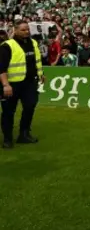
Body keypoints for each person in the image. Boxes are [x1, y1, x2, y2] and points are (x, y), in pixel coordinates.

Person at [0, 21, 45, 149]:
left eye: (27, 30)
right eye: (23, 30)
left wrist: (41, 73)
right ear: (15, 30)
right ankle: (8, 138)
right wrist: (5, 85)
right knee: (8, 111)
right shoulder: (7, 46)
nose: (26, 32)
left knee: (30, 106)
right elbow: (1, 68)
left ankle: (24, 134)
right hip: (12, 84)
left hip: (30, 82)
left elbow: (36, 60)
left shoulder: (33, 43)